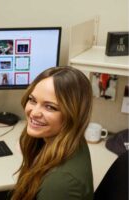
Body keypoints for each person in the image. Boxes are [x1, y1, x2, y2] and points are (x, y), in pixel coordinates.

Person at [11, 66, 94, 200]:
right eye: (32, 100)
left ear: (72, 115)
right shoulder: (67, 139)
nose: (34, 113)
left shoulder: (61, 183)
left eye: (50, 107)